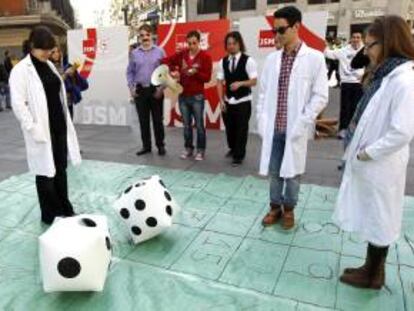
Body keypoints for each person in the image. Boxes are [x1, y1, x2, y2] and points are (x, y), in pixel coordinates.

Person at [333, 16, 414, 289]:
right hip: (373, 162)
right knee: (373, 214)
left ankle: (374, 275)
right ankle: (370, 267)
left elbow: (402, 131)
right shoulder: (385, 75)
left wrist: (369, 152)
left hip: (382, 163)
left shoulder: (404, 80)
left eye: (370, 45)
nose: (366, 51)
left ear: (389, 42)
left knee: (381, 217)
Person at [259, 6, 328, 230]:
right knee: (274, 170)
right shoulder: (271, 60)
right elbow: (262, 93)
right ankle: (274, 207)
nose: (277, 35)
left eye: (281, 30)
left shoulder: (315, 58)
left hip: (295, 128)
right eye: (274, 31)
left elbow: (321, 96)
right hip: (274, 127)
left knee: (294, 173)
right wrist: (262, 119)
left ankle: (289, 210)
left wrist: (304, 120)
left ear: (296, 27)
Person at [9, 26, 81, 225]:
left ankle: (65, 208)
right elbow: (18, 104)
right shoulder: (21, 71)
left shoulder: (48, 65)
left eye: (51, 49)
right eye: (45, 49)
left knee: (60, 168)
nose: (49, 53)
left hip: (59, 126)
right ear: (33, 46)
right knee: (45, 173)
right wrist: (32, 127)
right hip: (41, 130)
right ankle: (51, 214)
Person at [163, 30, 213, 161]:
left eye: (194, 43)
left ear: (199, 42)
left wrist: (195, 73)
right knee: (186, 125)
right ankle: (188, 148)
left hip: (197, 97)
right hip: (183, 96)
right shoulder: (182, 54)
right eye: (189, 43)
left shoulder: (206, 57)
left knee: (200, 126)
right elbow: (166, 60)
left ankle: (200, 150)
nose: (191, 46)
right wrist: (172, 71)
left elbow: (207, 78)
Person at [216, 31, 257, 166]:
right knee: (230, 129)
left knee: (241, 129)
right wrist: (221, 101)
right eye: (229, 44)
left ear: (239, 44)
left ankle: (239, 156)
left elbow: (254, 81)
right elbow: (219, 82)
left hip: (243, 101)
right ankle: (233, 149)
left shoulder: (248, 60)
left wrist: (240, 83)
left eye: (234, 43)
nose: (231, 46)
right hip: (228, 101)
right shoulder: (223, 61)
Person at [127, 24, 166, 156]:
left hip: (156, 90)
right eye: (142, 35)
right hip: (140, 91)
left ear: (152, 36)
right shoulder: (134, 53)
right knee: (143, 121)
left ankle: (160, 145)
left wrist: (161, 89)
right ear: (139, 37)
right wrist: (131, 88)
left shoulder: (160, 52)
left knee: (157, 120)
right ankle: (146, 146)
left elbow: (165, 71)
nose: (145, 38)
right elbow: (130, 72)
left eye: (147, 35)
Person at [325, 32, 364, 139]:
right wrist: (321, 43)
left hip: (359, 83)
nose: (356, 39)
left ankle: (354, 130)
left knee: (357, 108)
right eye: (354, 37)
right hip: (346, 82)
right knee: (345, 107)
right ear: (351, 39)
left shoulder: (365, 50)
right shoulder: (343, 51)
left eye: (358, 37)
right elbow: (329, 54)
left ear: (361, 39)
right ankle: (343, 129)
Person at [50, 47, 88, 119]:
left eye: (58, 51)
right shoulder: (49, 67)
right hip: (57, 102)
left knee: (70, 124)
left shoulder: (65, 65)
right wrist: (66, 74)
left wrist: (73, 73)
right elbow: (55, 83)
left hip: (68, 100)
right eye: (53, 52)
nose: (56, 54)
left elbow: (76, 82)